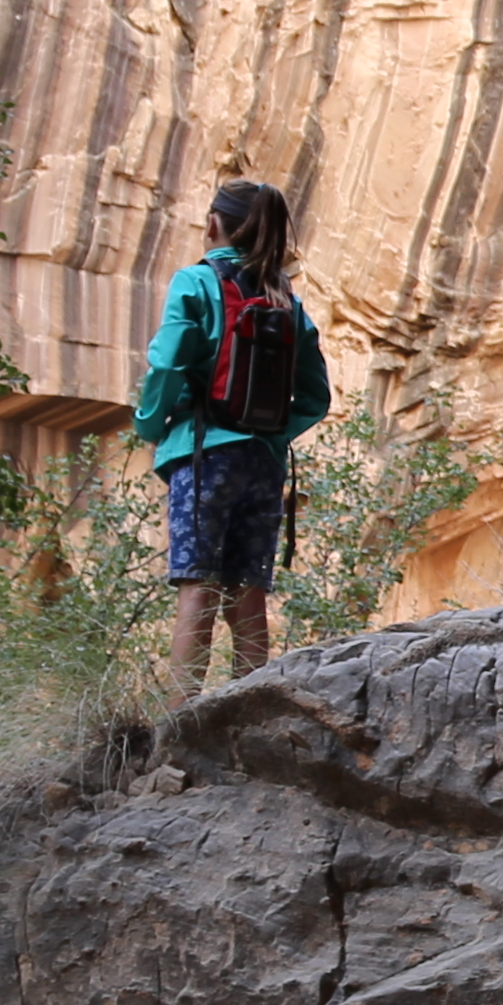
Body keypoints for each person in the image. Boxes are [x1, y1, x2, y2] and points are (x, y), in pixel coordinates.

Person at [131, 178, 329, 687]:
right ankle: (249, 711)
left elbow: (168, 361)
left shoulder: (195, 284)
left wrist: (151, 424)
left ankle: (180, 716)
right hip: (263, 463)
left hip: (203, 452)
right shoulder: (287, 300)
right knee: (248, 592)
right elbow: (315, 397)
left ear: (214, 224)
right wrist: (270, 434)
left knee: (197, 585)